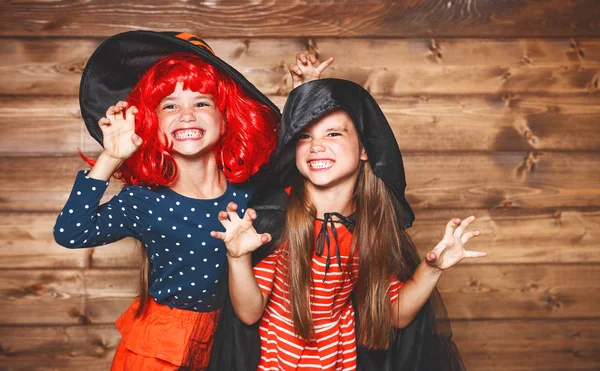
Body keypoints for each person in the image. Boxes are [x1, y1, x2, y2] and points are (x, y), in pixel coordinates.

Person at [53, 30, 335, 371]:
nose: (186, 115)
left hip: (231, 340)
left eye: (202, 103)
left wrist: (305, 94)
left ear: (227, 117)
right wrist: (110, 157)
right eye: (169, 105)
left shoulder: (249, 187)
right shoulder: (142, 201)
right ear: (151, 124)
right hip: (160, 348)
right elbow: (71, 232)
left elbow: (293, 159)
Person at [213, 78, 487, 370]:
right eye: (305, 136)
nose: (316, 146)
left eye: (333, 134)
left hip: (339, 361)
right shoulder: (278, 219)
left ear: (364, 150)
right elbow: (249, 312)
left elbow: (394, 314)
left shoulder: (367, 227)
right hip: (278, 362)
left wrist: (432, 269)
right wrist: (239, 257)